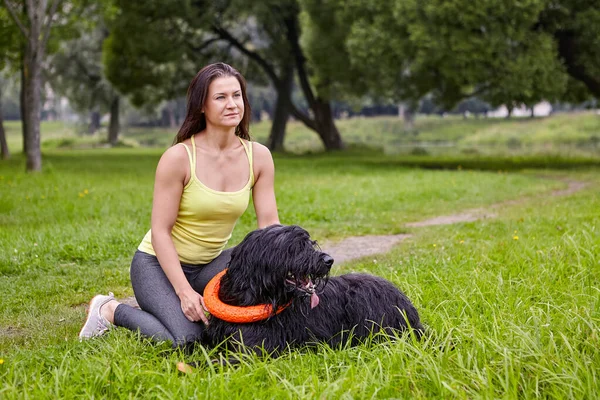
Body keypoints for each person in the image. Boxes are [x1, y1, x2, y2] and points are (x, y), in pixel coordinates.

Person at [79, 62, 280, 348]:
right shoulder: (179, 158)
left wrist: (286, 270)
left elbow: (269, 226)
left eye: (237, 95)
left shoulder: (258, 157)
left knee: (253, 255)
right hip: (157, 264)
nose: (232, 104)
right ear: (202, 106)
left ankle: (178, 307)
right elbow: (160, 231)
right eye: (220, 97)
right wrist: (185, 292)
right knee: (189, 340)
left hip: (210, 265)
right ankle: (110, 310)